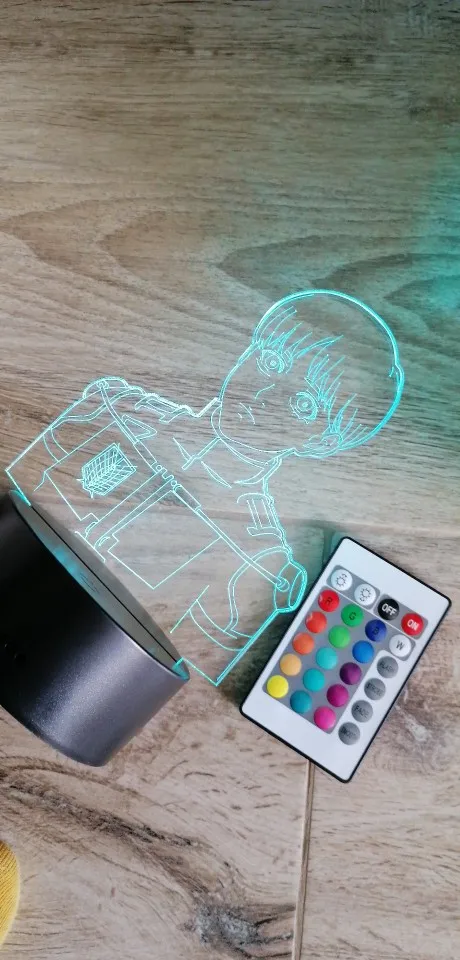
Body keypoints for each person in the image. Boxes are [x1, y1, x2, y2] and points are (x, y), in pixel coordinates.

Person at [7, 290, 404, 684]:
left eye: (303, 404)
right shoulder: (122, 409)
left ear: (323, 442)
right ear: (249, 349)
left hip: (71, 666)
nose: (264, 395)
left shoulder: (258, 549)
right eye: (270, 362)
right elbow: (37, 465)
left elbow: (199, 642)